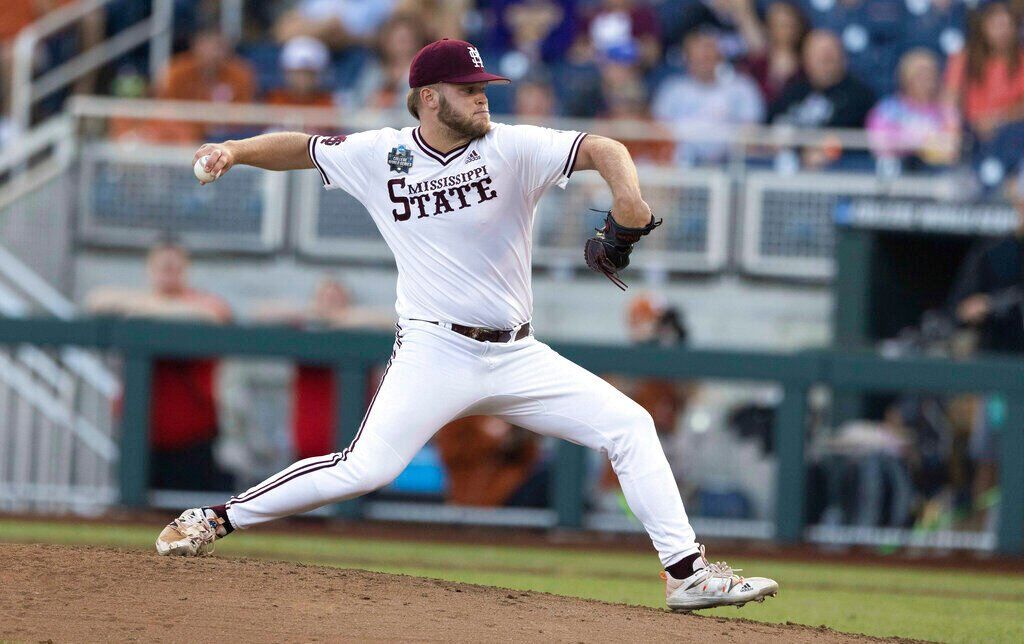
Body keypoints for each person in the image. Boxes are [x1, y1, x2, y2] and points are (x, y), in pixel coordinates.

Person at [155, 37, 778, 612]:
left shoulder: (510, 146)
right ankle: (217, 517)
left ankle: (686, 574)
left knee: (630, 426)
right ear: (430, 98)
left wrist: (629, 200)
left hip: (517, 352)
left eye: (484, 85)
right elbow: (303, 147)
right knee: (366, 469)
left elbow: (604, 148)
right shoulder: (383, 154)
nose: (483, 95)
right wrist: (234, 150)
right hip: (435, 350)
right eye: (468, 87)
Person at [86, 240, 233, 492]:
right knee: (133, 513)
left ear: (186, 270)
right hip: (139, 438)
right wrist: (149, 305)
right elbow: (96, 300)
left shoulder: (203, 303)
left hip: (192, 441)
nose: (168, 273)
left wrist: (150, 309)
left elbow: (213, 315)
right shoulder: (136, 300)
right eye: (162, 267)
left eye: (174, 267)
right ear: (149, 270)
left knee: (191, 521)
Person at [651, 29, 764, 165]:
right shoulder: (672, 90)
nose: (704, 61)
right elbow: (660, 131)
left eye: (709, 56)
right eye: (699, 57)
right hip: (681, 165)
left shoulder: (742, 88)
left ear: (719, 57)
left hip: (730, 165)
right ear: (687, 59)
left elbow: (751, 131)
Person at [768, 29, 876, 169]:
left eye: (829, 53)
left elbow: (846, 137)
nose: (824, 59)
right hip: (783, 170)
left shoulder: (858, 94)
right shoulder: (793, 92)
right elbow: (768, 126)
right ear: (805, 58)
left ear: (842, 57)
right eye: (817, 54)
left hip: (839, 173)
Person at [866, 49, 959, 169]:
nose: (925, 81)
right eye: (919, 75)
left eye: (930, 75)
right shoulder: (887, 109)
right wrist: (920, 146)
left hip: (935, 172)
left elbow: (951, 146)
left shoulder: (946, 110)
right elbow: (878, 144)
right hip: (896, 170)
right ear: (906, 77)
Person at [435, 416, 548, 507]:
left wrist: (514, 437)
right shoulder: (462, 414)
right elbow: (451, 453)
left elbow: (528, 456)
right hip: (467, 502)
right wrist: (489, 438)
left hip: (508, 497)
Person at [739, 1, 806, 105]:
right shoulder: (756, 63)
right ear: (769, 28)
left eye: (789, 25)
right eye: (780, 25)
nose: (785, 31)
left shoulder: (806, 64)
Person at [265, 36, 334, 108]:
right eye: (297, 73)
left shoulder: (329, 103)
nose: (302, 79)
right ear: (286, 73)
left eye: (309, 74)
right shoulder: (274, 100)